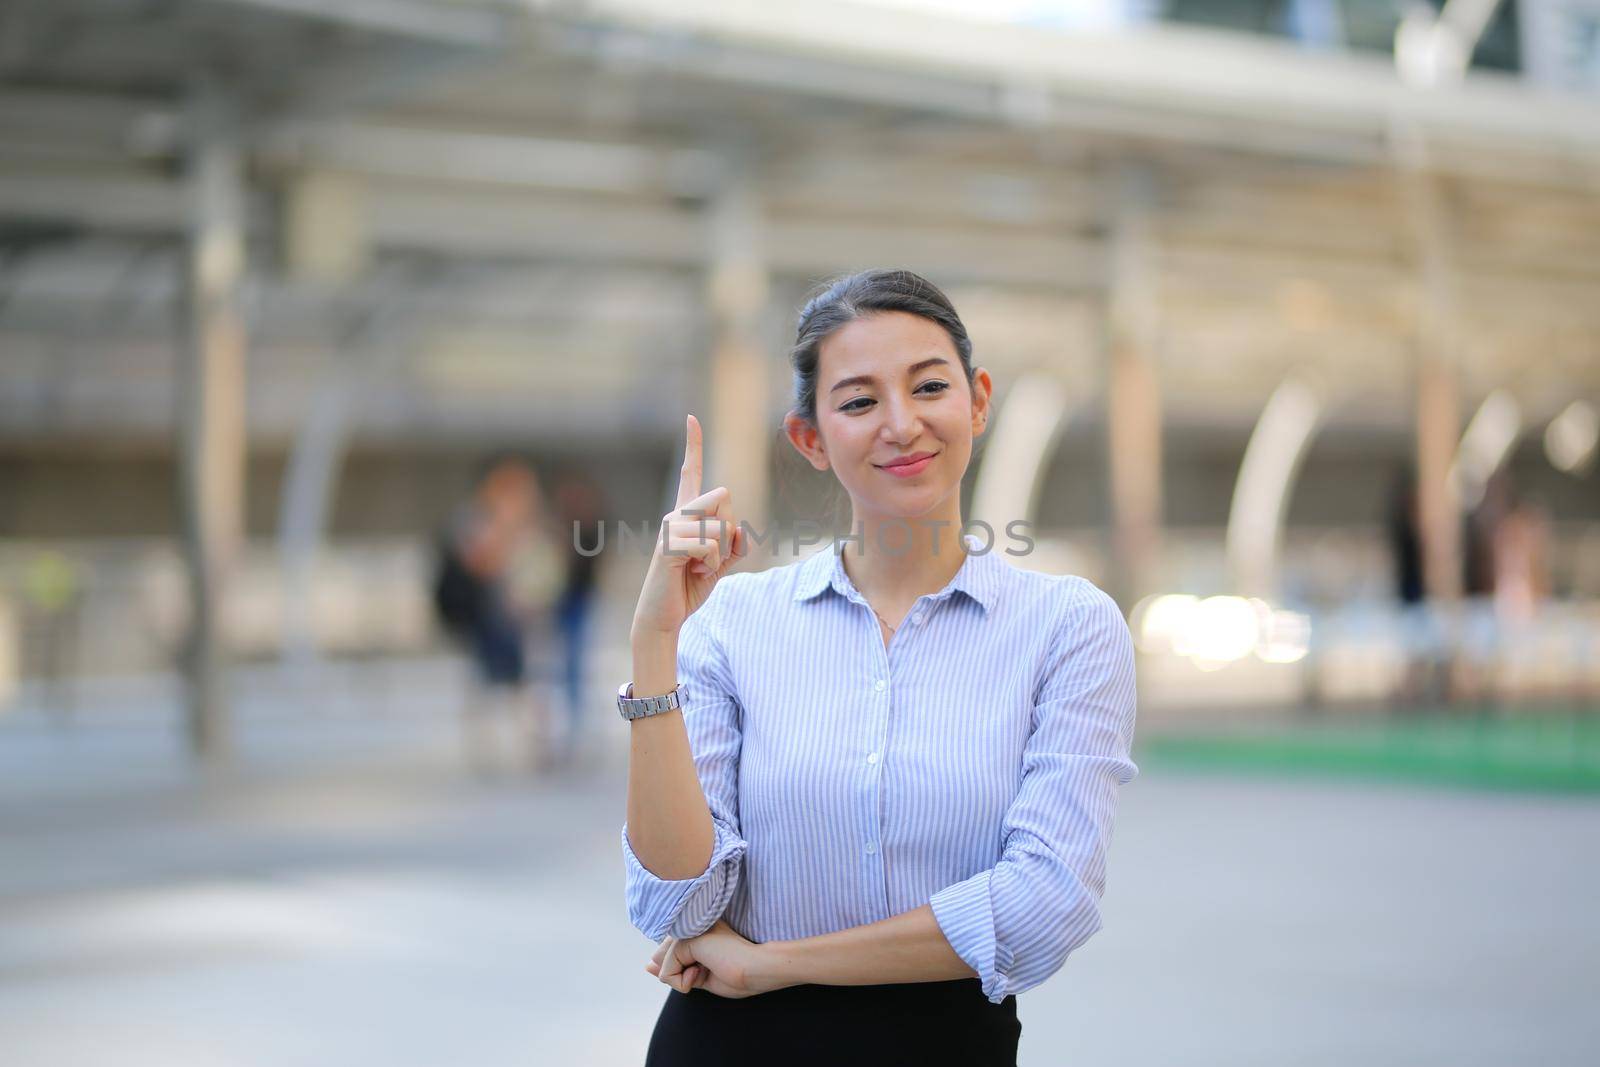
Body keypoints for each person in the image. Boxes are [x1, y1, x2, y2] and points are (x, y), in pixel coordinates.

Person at [620, 269, 1139, 1065]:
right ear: (812, 439)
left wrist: (774, 964)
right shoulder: (734, 621)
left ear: (977, 400)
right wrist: (655, 642)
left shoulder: (1065, 628)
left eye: (929, 386)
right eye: (859, 401)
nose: (901, 424)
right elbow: (679, 898)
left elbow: (1043, 904)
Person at [432, 453, 546, 774]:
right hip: (486, 619)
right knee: (490, 685)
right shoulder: (477, 521)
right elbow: (477, 563)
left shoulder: (525, 526)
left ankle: (529, 750)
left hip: (512, 621)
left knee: (521, 686)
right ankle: (492, 752)